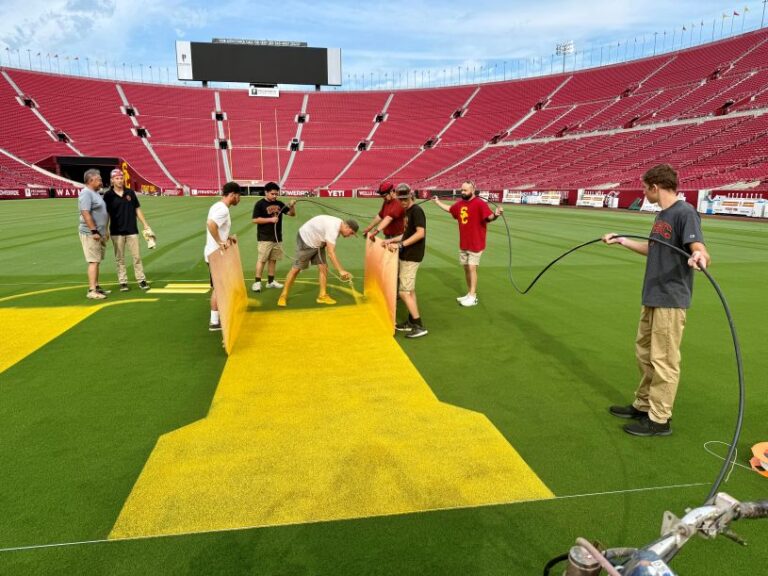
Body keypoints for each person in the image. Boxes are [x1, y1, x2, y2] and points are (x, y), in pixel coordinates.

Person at [602, 164, 710, 437]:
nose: (643, 191)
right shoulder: (663, 215)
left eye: (644, 187)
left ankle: (660, 419)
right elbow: (653, 250)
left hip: (671, 298)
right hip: (652, 295)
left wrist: (700, 256)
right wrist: (622, 241)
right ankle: (643, 404)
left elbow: (698, 247)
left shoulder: (685, 212)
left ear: (655, 186)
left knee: (664, 360)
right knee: (645, 354)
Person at [432, 180, 503, 307]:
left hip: (476, 243)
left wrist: (496, 214)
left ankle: (473, 296)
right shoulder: (460, 204)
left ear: (473, 190)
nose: (462, 192)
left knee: (471, 267)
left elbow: (489, 217)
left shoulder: (480, 203)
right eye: (462, 190)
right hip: (464, 243)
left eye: (465, 190)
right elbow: (450, 209)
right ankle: (469, 293)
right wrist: (437, 202)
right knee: (466, 268)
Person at [277, 215, 358, 307]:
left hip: (318, 242)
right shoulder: (333, 228)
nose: (349, 236)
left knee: (323, 267)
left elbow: (327, 242)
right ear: (347, 227)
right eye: (351, 233)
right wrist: (341, 271)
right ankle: (283, 296)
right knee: (296, 269)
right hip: (306, 241)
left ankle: (322, 295)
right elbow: (331, 253)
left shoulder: (339, 224)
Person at [383, 183, 428, 338]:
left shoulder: (416, 211)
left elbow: (420, 233)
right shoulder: (408, 211)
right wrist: (392, 241)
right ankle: (411, 321)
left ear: (411, 196)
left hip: (412, 255)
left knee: (403, 292)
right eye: (400, 199)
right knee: (410, 290)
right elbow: (406, 234)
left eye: (405, 198)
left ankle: (419, 325)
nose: (402, 202)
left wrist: (401, 245)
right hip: (406, 254)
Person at [103, 168, 152, 292]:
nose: (120, 180)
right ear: (112, 180)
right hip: (116, 231)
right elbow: (107, 214)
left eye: (121, 178)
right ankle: (123, 282)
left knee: (137, 257)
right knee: (120, 258)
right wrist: (105, 229)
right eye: (117, 178)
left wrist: (145, 224)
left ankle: (141, 279)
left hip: (132, 230)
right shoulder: (108, 195)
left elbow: (137, 209)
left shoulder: (130, 192)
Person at [204, 182, 242, 331]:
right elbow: (211, 223)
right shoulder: (223, 210)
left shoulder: (217, 206)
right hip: (216, 256)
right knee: (218, 289)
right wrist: (220, 242)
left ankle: (219, 317)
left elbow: (216, 226)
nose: (239, 199)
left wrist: (226, 239)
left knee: (220, 287)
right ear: (233, 195)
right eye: (239, 196)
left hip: (213, 253)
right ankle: (214, 322)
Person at [251, 181, 296, 293]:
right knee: (262, 260)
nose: (275, 196)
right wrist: (270, 220)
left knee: (273, 260)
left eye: (276, 194)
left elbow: (292, 214)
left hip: (277, 237)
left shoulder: (280, 204)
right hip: (265, 237)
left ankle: (270, 282)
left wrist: (292, 206)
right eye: (272, 194)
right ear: (266, 192)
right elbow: (255, 220)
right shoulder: (260, 204)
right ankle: (257, 282)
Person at [78, 168, 110, 300]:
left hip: (99, 232)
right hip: (91, 233)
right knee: (93, 261)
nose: (101, 181)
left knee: (97, 260)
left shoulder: (95, 192)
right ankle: (92, 290)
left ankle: (96, 286)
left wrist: (105, 230)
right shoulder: (86, 193)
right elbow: (85, 213)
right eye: (99, 179)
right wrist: (94, 231)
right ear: (91, 180)